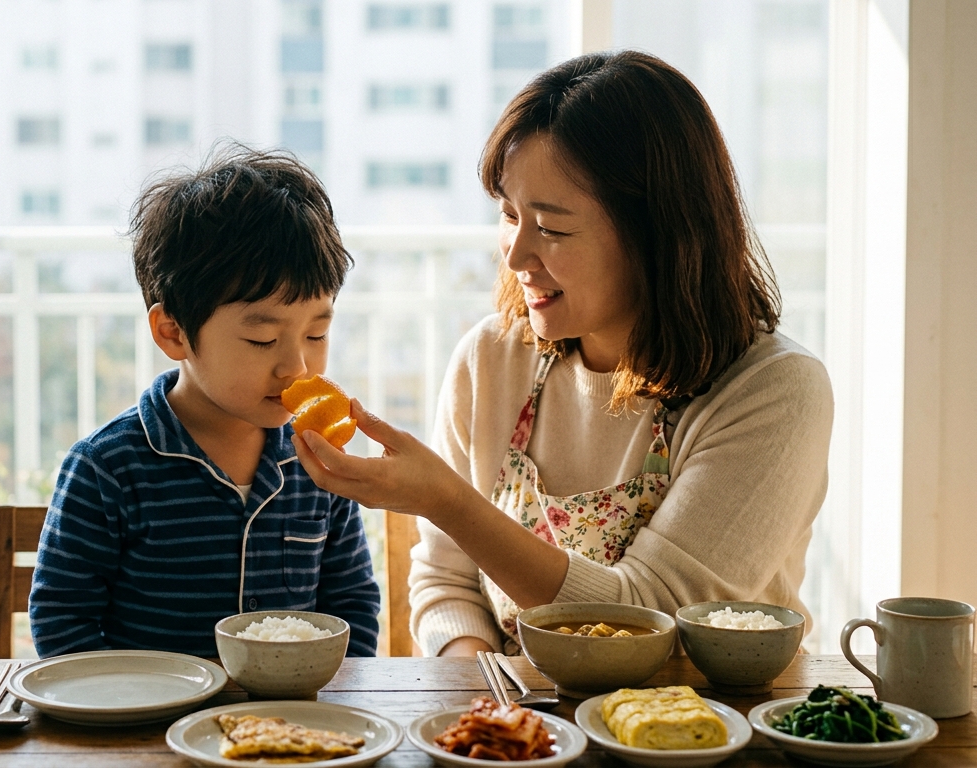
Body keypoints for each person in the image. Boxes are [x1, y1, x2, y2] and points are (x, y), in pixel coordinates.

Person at [291, 51, 833, 657]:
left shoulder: (774, 389)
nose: (516, 255)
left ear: (658, 232)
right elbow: (446, 583)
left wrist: (445, 500)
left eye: (551, 226)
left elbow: (649, 618)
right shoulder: (492, 359)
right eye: (508, 214)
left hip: (705, 730)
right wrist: (488, 709)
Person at [30, 147, 381, 659]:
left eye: (317, 333)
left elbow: (350, 605)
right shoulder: (107, 469)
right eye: (262, 340)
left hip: (291, 727)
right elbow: (62, 617)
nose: (296, 368)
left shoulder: (322, 461)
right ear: (173, 333)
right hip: (150, 728)